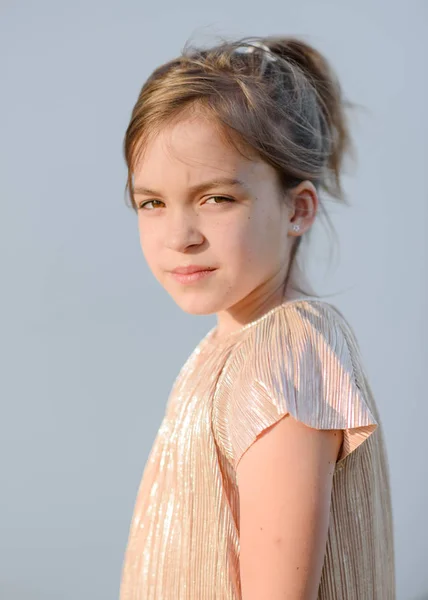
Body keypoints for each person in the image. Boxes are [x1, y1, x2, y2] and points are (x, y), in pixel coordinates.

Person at [119, 35, 395, 600]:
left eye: (216, 198)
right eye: (152, 202)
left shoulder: (285, 353)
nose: (180, 237)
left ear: (297, 207)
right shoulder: (232, 346)